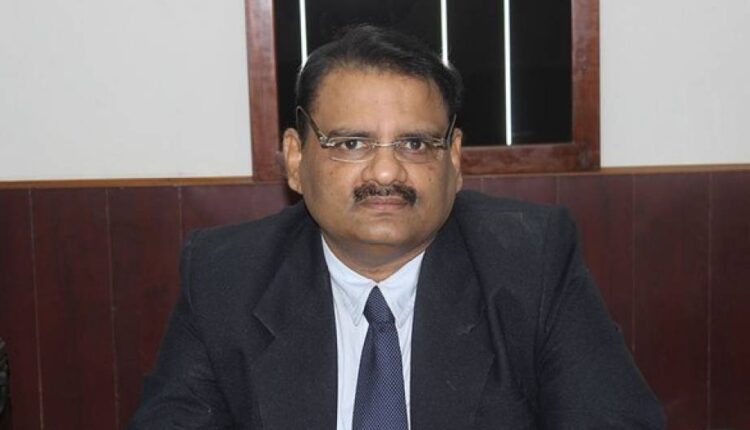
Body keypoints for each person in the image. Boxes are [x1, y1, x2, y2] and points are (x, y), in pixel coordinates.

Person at [130, 25, 664, 429]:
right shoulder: (226, 276)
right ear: (295, 158)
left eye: (415, 143)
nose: (386, 173)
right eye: (351, 143)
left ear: (454, 159)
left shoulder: (531, 262)